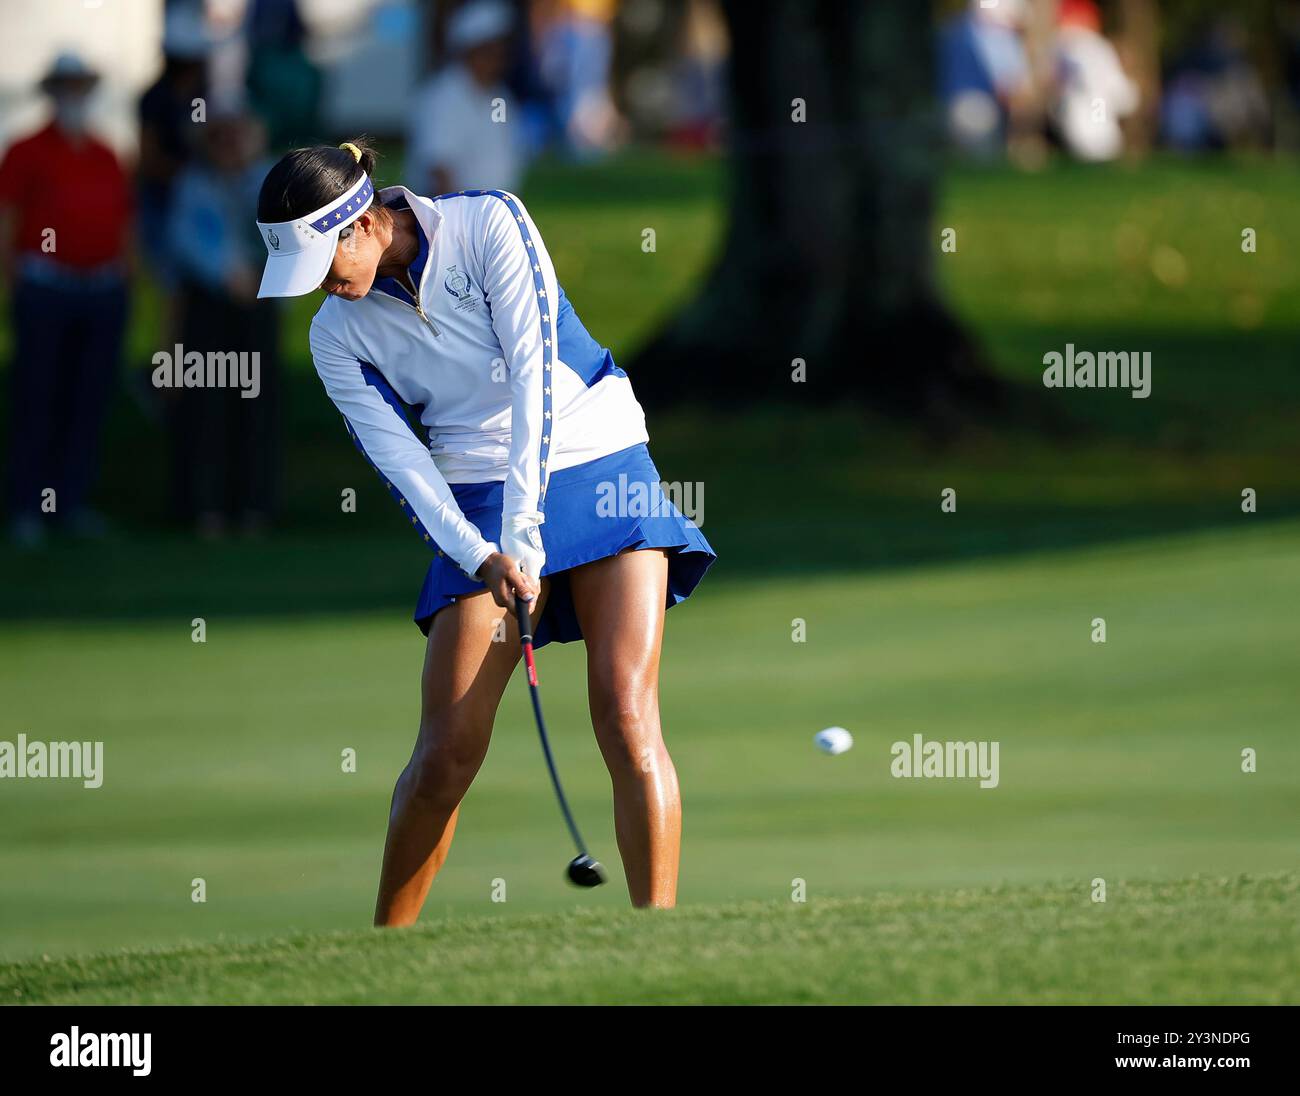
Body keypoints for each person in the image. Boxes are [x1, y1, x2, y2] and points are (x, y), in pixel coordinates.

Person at [254, 140, 715, 918]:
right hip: (471, 493)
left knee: (626, 713)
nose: (323, 291)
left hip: (594, 454)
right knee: (446, 753)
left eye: (324, 264)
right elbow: (403, 466)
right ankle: (382, 961)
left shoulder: (490, 222)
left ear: (363, 223)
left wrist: (525, 531)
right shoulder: (336, 335)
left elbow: (534, 375)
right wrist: (481, 552)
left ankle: (657, 940)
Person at [0, 53, 131, 547]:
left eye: (81, 86)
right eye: (66, 86)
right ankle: (28, 508)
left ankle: (69, 503)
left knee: (86, 399)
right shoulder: (26, 149)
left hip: (100, 288)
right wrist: (14, 284)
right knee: (38, 397)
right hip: (45, 286)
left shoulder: (104, 152)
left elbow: (122, 220)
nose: (74, 95)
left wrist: (124, 274)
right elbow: (8, 219)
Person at [166, 101, 279, 536]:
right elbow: (183, 239)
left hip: (257, 308)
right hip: (209, 309)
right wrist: (224, 273)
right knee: (206, 404)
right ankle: (204, 505)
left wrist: (257, 277)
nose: (230, 144)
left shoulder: (267, 180)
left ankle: (255, 504)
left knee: (257, 405)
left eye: (237, 133)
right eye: (220, 135)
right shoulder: (193, 185)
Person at [406, 0, 526, 195]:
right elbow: (439, 167)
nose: (499, 57)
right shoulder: (442, 97)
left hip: (493, 211)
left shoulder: (499, 96)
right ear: (471, 50)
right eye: (490, 50)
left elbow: (504, 153)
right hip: (460, 213)